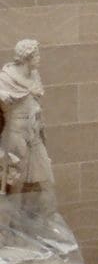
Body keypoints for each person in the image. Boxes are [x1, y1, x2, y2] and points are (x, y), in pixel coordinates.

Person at [0, 40, 53, 198]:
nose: (39, 58)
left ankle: (38, 217)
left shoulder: (34, 75)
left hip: (34, 132)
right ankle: (14, 220)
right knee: (16, 181)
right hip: (15, 133)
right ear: (26, 56)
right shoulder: (6, 77)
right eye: (36, 54)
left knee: (43, 179)